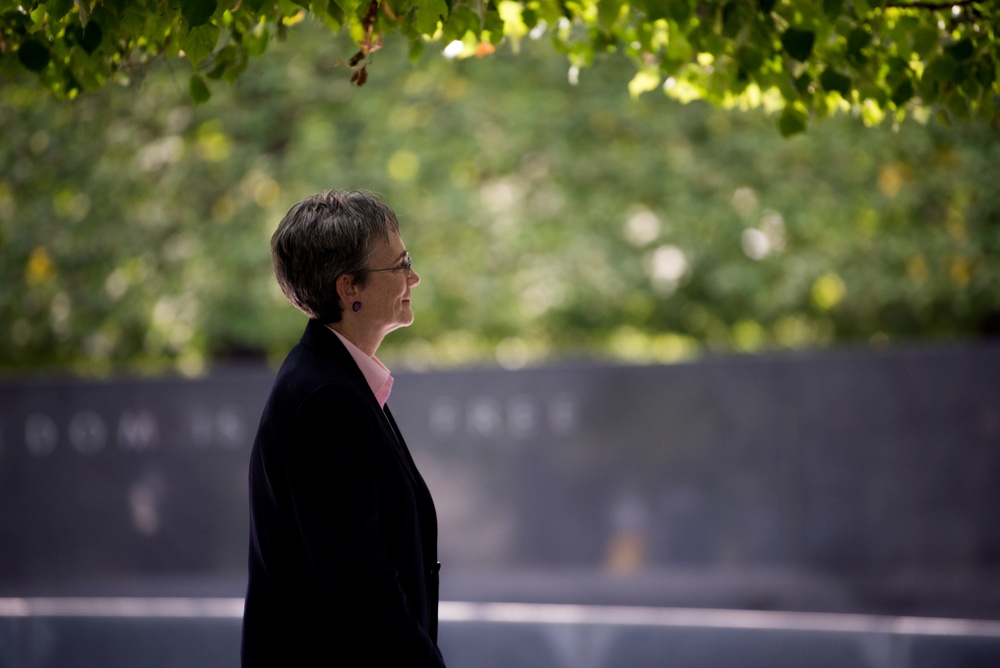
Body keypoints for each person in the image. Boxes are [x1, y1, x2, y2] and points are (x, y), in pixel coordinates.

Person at [241, 190, 446, 667]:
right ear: (348, 287)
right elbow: (361, 584)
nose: (413, 277)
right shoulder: (325, 399)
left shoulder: (332, 380)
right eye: (399, 265)